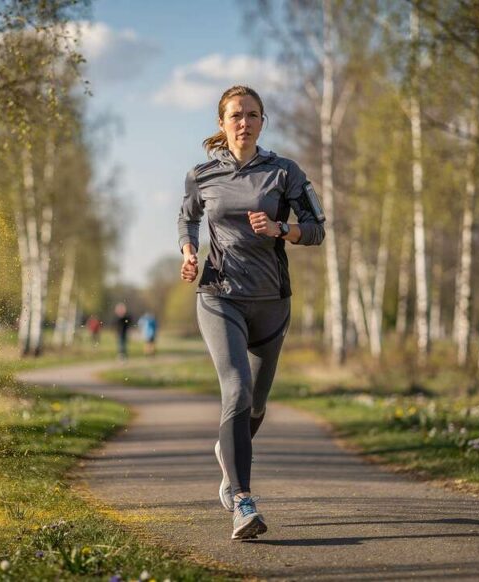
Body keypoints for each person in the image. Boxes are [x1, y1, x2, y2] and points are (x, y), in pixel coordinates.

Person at [177, 85, 325, 540]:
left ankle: (229, 456)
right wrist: (188, 252)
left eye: (253, 115)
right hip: (220, 296)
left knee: (256, 403)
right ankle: (242, 499)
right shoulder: (201, 174)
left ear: (263, 122)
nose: (244, 122)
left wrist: (282, 229)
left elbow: (318, 229)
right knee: (237, 390)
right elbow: (188, 218)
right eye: (236, 115)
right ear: (222, 124)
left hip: (271, 302)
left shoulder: (285, 173)